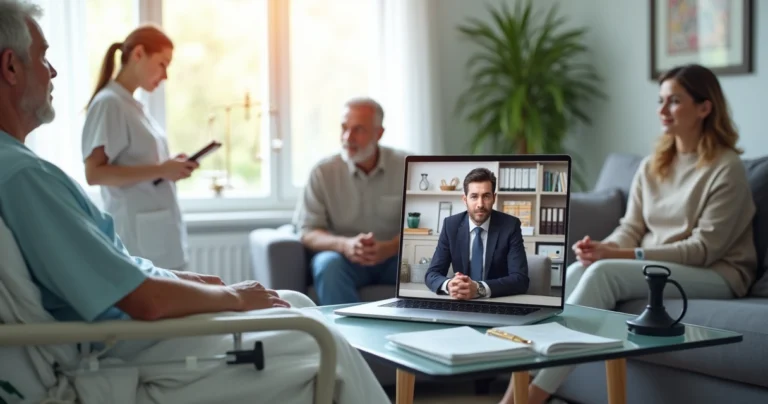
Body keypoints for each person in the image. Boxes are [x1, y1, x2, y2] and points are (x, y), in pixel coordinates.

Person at [0, 2, 389, 403]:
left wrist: (198, 283)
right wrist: (234, 298)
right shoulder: (24, 175)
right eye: (43, 56)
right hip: (130, 341)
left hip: (134, 317)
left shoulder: (28, 167)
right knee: (321, 339)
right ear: (10, 67)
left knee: (297, 302)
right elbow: (141, 298)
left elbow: (119, 273)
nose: (53, 70)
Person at [500, 64, 758, 404]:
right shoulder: (653, 164)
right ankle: (515, 387)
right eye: (661, 100)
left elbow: (703, 250)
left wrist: (618, 256)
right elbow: (632, 228)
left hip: (718, 273)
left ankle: (534, 395)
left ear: (705, 107)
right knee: (577, 270)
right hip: (658, 267)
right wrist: (603, 247)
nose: (662, 111)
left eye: (675, 101)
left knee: (605, 273)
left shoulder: (726, 168)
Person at [81, 24, 197, 270]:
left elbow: (141, 164)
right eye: (162, 64)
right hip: (138, 237)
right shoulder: (109, 104)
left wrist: (169, 168)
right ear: (138, 54)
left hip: (156, 231)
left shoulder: (131, 105)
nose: (165, 76)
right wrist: (160, 170)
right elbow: (94, 174)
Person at [294, 97, 407, 305]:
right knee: (327, 265)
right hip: (345, 259)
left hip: (396, 258)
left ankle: (426, 334)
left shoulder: (408, 166)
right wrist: (345, 245)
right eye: (344, 128)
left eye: (359, 130)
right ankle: (345, 338)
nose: (348, 137)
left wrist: (390, 248)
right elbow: (307, 231)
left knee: (430, 264)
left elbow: (429, 226)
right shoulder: (323, 172)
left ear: (379, 133)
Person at [425, 168, 529, 299]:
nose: (480, 204)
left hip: (497, 301)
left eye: (486, 196)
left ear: (494, 198)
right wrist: (449, 284)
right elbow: (432, 274)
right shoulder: (451, 225)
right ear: (465, 199)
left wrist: (479, 289)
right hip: (460, 301)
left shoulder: (510, 226)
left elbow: (521, 280)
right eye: (474, 196)